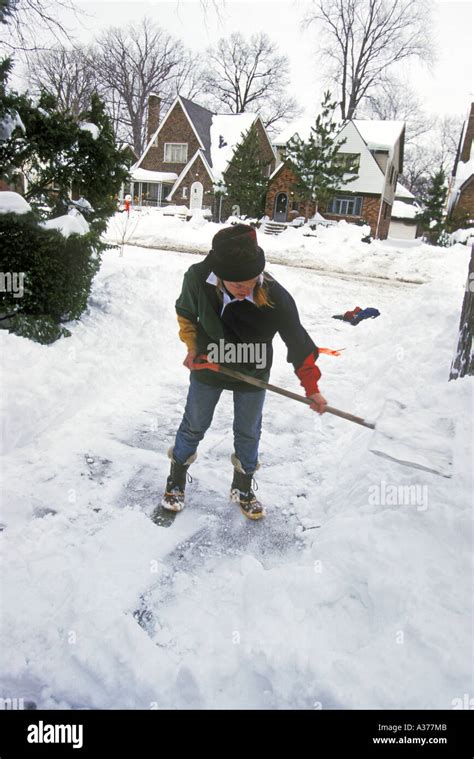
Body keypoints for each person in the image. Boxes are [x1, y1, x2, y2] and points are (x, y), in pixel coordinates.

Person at [161, 223, 327, 520]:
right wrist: (192, 348)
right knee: (195, 423)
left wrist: (312, 388)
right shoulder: (198, 278)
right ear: (220, 278)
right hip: (211, 363)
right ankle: (176, 479)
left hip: (253, 368)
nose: (245, 289)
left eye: (251, 282)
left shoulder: (276, 296)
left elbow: (299, 343)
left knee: (248, 431)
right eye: (237, 285)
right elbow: (186, 313)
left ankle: (243, 487)